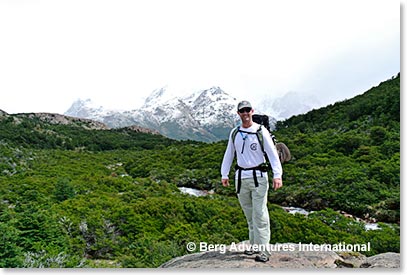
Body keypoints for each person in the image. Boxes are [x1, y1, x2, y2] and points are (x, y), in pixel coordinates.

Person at [221, 100, 283, 262]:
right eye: (242, 111)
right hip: (241, 179)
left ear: (252, 111)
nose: (245, 113)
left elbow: (272, 154)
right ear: (238, 113)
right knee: (249, 215)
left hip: (258, 178)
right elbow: (229, 153)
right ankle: (254, 245)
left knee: (260, 214)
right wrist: (224, 174)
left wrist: (277, 175)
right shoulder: (235, 133)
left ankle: (264, 251)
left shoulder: (261, 131)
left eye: (248, 110)